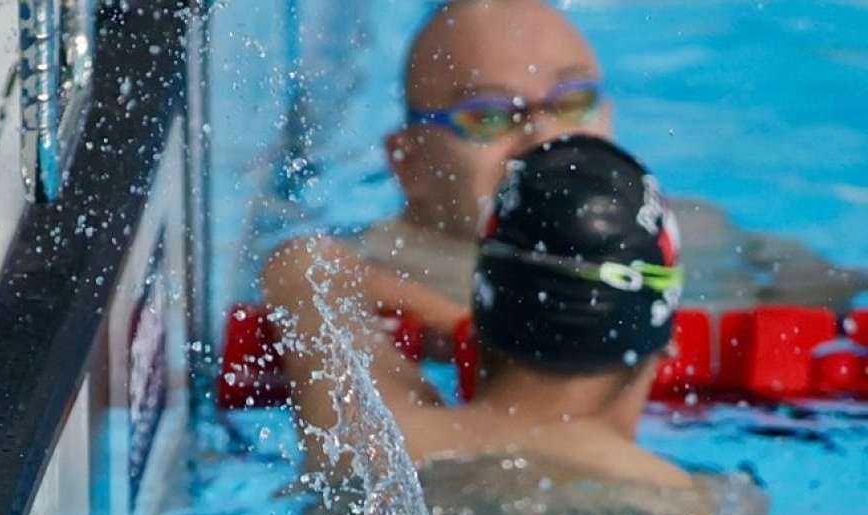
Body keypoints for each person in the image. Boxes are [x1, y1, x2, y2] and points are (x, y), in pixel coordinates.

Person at [257, 135, 766, 515]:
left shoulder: (372, 438)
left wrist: (461, 323)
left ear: (483, 314)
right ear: (665, 338)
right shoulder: (699, 506)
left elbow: (302, 265)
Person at [348, 0, 865, 315]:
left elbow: (839, 289)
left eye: (572, 102)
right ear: (406, 163)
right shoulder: (361, 274)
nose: (545, 136)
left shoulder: (697, 231)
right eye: (489, 114)